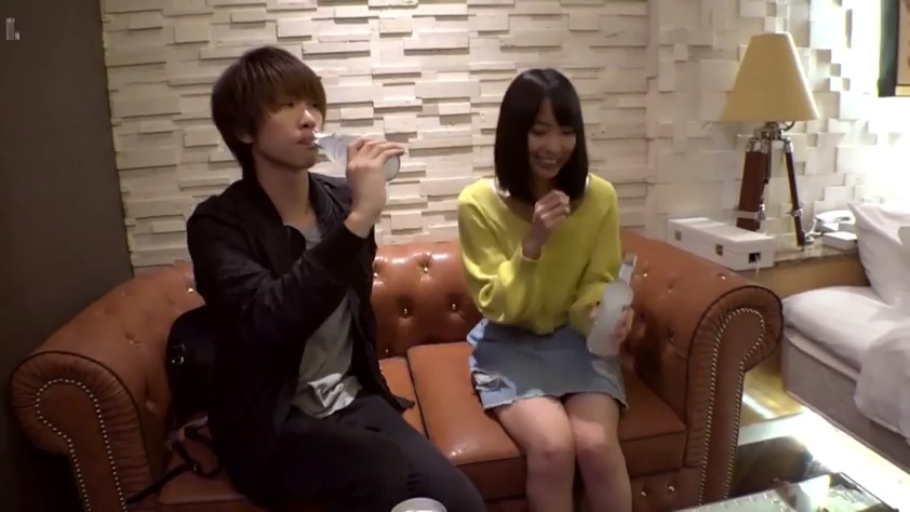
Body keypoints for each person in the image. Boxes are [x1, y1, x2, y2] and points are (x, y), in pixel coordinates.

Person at [186, 45, 485, 512]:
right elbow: (268, 322)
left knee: (462, 503)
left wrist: (355, 214)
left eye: (312, 103)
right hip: (271, 418)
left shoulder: (340, 200)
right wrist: (360, 219)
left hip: (351, 399)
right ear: (244, 130)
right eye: (286, 105)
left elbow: (354, 303)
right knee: (377, 468)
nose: (308, 118)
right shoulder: (218, 225)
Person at [456, 68, 634, 512]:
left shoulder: (600, 198)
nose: (553, 146)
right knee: (553, 449)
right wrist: (533, 243)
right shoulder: (477, 203)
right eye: (539, 131)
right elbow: (495, 304)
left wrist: (598, 312)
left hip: (576, 342)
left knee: (596, 445)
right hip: (509, 343)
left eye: (566, 132)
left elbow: (597, 280)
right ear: (514, 133)